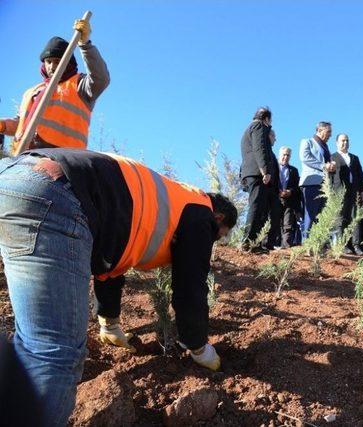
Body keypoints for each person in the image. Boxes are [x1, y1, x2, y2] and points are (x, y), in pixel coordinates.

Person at [0, 149, 237, 426]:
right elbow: (190, 286)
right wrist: (199, 347)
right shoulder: (200, 214)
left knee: (30, 341)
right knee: (52, 351)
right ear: (219, 218)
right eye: (219, 237)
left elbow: (110, 262)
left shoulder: (163, 202)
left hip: (13, 176)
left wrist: (109, 323)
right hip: (56, 194)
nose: (214, 241)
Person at [0, 18, 109, 153]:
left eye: (57, 61)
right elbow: (20, 124)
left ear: (68, 63)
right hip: (24, 156)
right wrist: (2, 125)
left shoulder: (79, 84)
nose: (52, 66)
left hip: (63, 158)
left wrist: (85, 44)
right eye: (49, 61)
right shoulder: (32, 92)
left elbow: (101, 79)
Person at [240, 107, 274, 251]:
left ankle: (255, 243)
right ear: (266, 119)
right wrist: (264, 171)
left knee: (259, 207)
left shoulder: (249, 128)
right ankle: (248, 242)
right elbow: (259, 148)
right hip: (256, 173)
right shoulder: (258, 126)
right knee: (256, 207)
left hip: (251, 173)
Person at [330, 133, 363, 255]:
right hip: (339, 192)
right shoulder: (332, 157)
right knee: (341, 219)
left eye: (347, 140)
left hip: (354, 192)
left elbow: (361, 176)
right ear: (337, 143)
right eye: (342, 140)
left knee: (355, 218)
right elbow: (329, 176)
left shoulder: (355, 158)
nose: (345, 143)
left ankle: (356, 245)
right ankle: (343, 245)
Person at [299, 121, 335, 238]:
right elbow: (305, 157)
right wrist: (324, 165)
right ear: (319, 130)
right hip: (311, 183)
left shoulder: (326, 147)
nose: (330, 135)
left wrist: (331, 166)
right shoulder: (307, 142)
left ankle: (319, 244)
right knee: (310, 214)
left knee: (322, 216)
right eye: (328, 131)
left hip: (325, 185)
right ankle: (307, 244)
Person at [276, 146, 302, 248]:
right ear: (279, 155)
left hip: (289, 201)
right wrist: (277, 191)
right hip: (275, 199)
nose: (285, 157)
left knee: (288, 224)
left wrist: (290, 191)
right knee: (274, 222)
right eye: (284, 155)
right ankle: (271, 244)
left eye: (288, 155)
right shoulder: (273, 168)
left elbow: (297, 186)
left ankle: (286, 246)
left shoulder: (294, 171)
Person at [264, 129, 282, 250]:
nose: (275, 139)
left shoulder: (272, 153)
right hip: (264, 189)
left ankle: (269, 243)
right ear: (268, 136)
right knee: (263, 217)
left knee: (275, 217)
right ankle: (261, 243)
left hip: (274, 191)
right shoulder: (262, 150)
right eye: (274, 136)